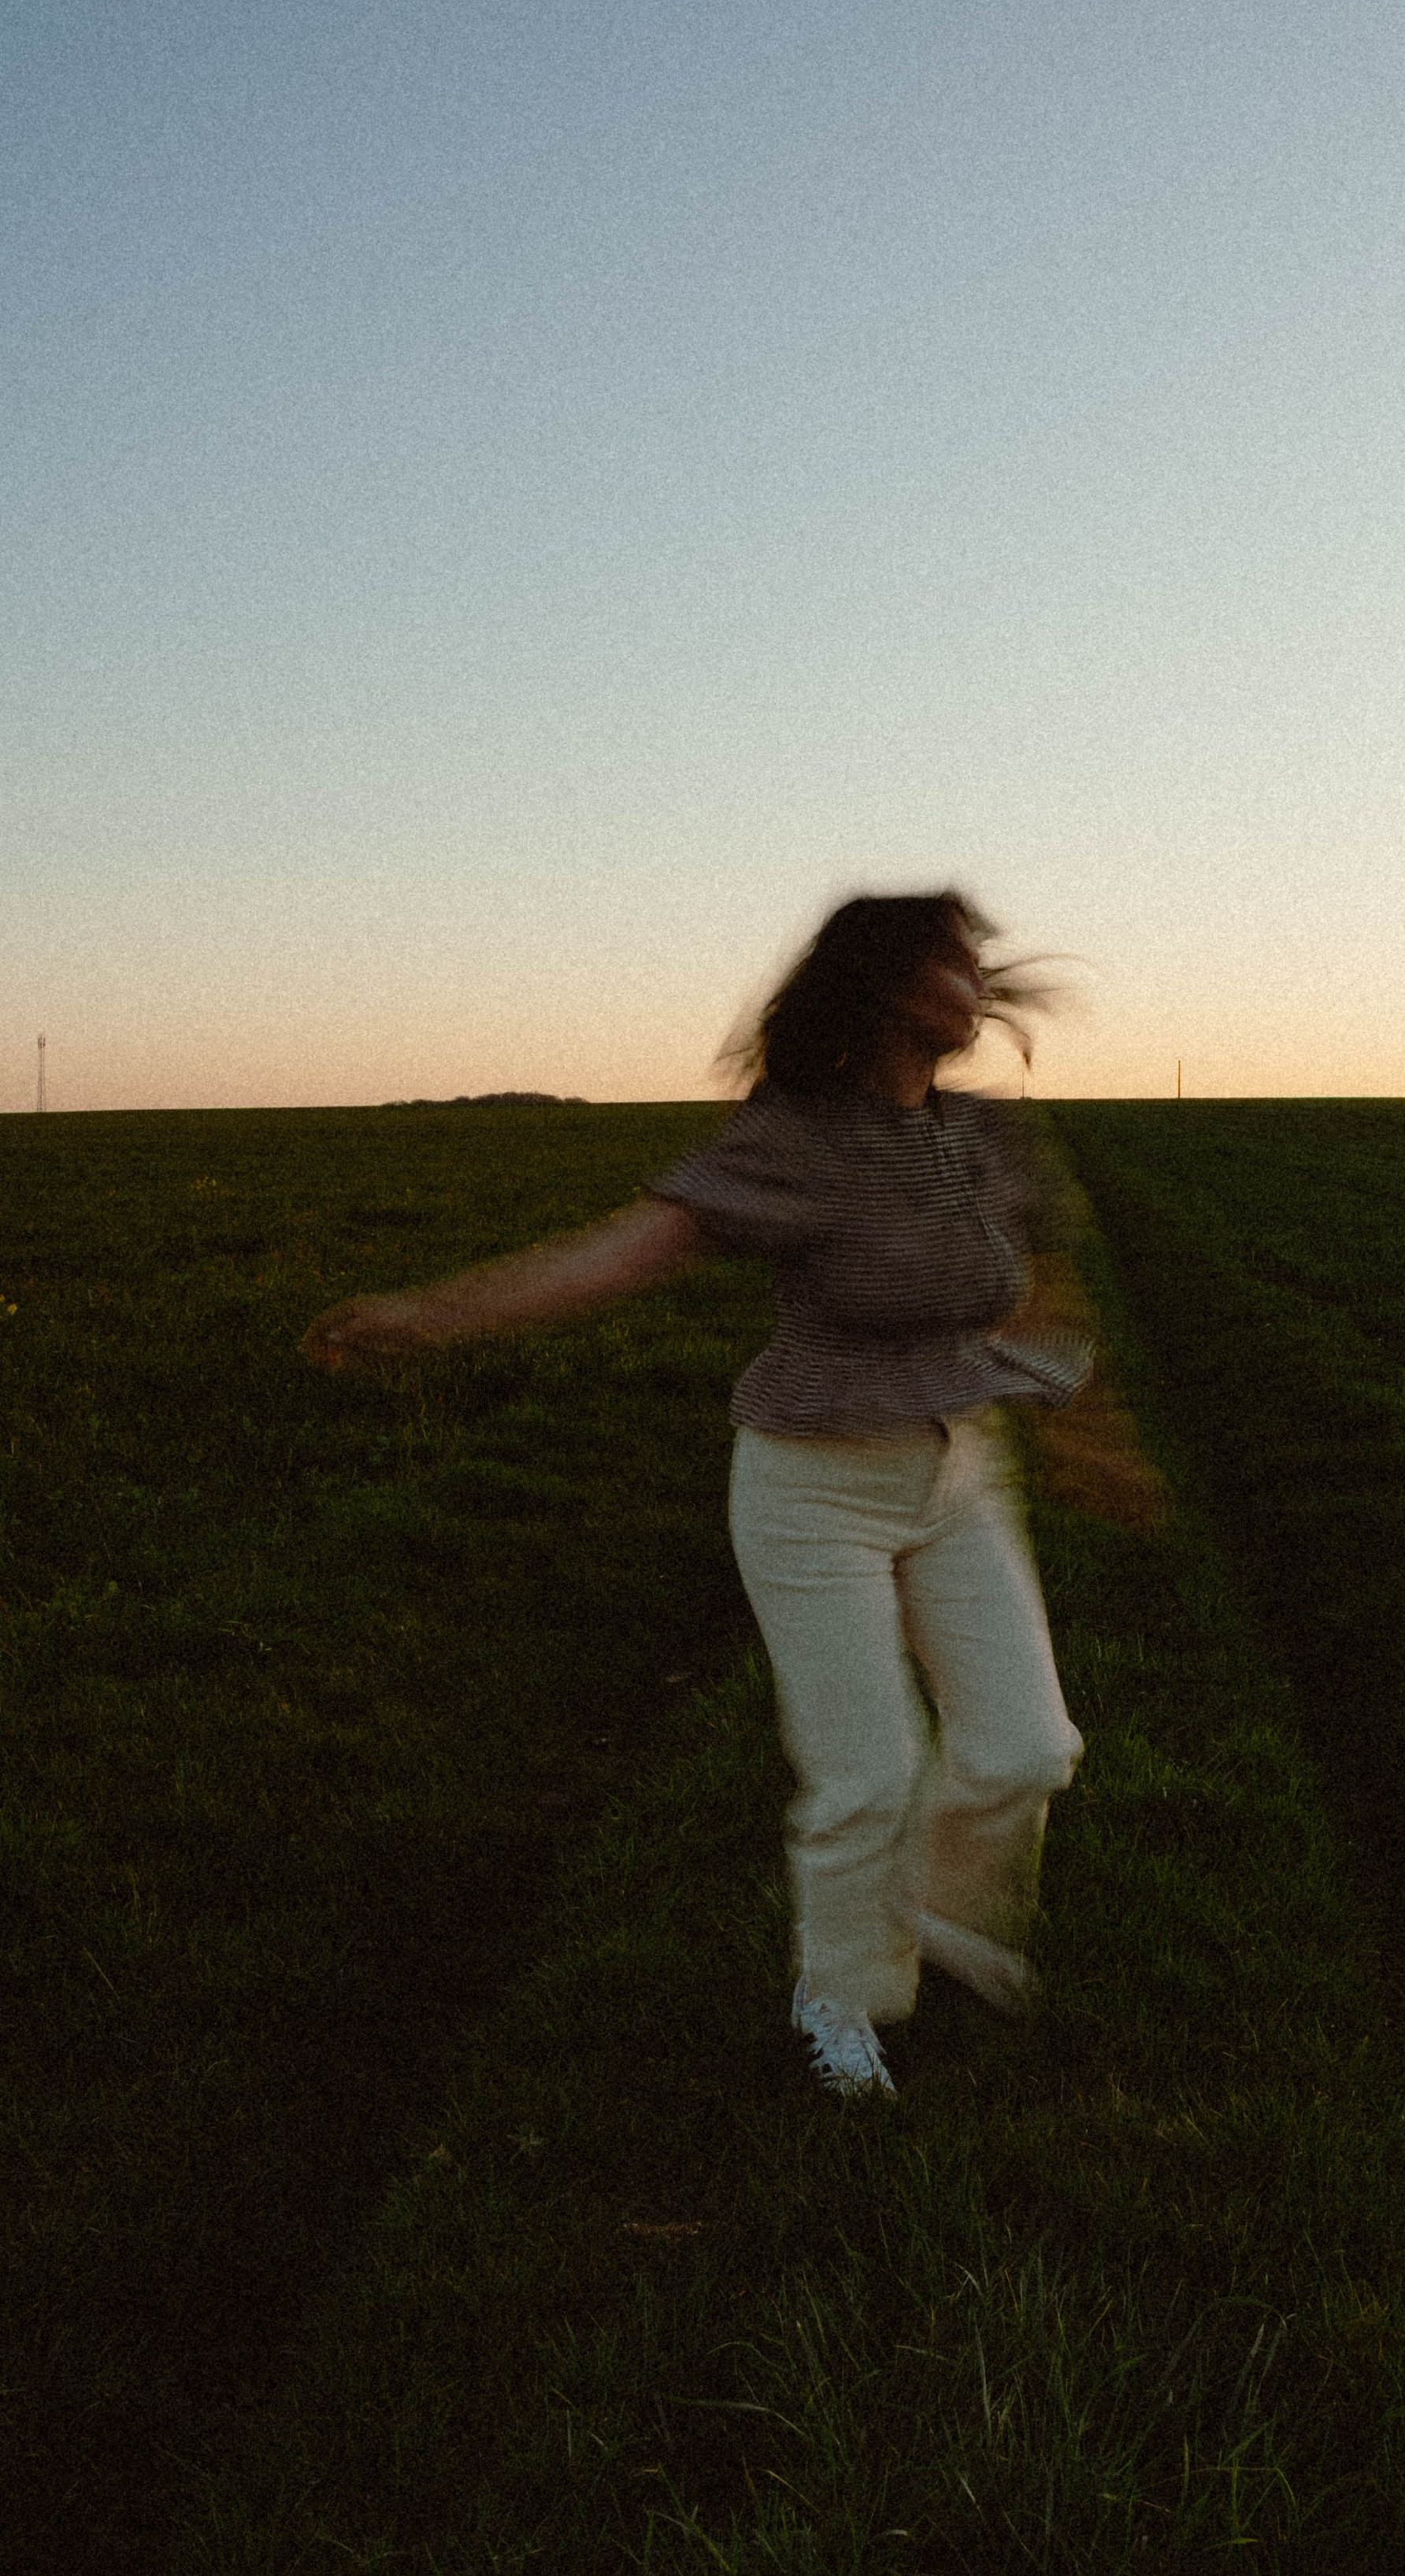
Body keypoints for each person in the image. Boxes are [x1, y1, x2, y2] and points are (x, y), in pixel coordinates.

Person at [302, 892, 1097, 2100]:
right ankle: (843, 1998)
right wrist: (432, 1317)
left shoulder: (985, 1135)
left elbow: (1038, 1285)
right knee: (866, 1772)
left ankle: (934, 1915)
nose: (978, 981)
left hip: (960, 1471)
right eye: (952, 962)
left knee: (1027, 1748)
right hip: (814, 1488)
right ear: (885, 988)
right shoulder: (795, 1138)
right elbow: (629, 1253)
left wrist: (1090, 1424)